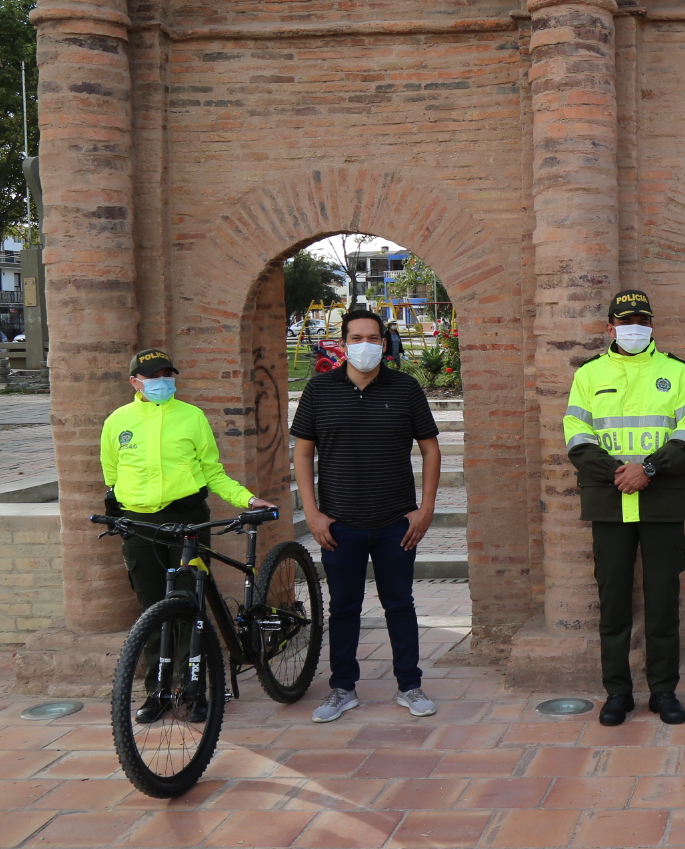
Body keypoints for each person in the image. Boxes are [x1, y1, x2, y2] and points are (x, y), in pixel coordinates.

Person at [101, 348, 277, 722]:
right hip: (140, 524)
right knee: (152, 611)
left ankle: (191, 690)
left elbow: (213, 472)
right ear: (135, 382)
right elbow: (112, 475)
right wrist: (118, 511)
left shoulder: (191, 416)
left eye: (167, 374)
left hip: (187, 519)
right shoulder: (118, 421)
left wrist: (245, 498)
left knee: (188, 608)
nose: (162, 382)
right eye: (153, 376)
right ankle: (158, 692)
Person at [294, 309, 443, 722]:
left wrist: (425, 509)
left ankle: (409, 686)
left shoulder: (406, 388)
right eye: (356, 337)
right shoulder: (319, 390)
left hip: (396, 521)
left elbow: (430, 448)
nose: (365, 345)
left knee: (400, 604)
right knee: (343, 607)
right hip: (339, 523)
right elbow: (303, 452)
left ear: (384, 343)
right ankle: (342, 688)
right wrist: (312, 513)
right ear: (343, 343)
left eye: (372, 338)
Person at [565, 290, 685, 726]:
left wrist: (646, 468)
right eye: (624, 322)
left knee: (663, 602)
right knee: (613, 603)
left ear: (651, 325)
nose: (633, 328)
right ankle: (617, 692)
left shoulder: (678, 373)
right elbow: (577, 435)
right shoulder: (589, 374)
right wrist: (618, 473)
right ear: (610, 328)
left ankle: (664, 691)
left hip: (661, 502)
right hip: (609, 504)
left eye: (641, 320)